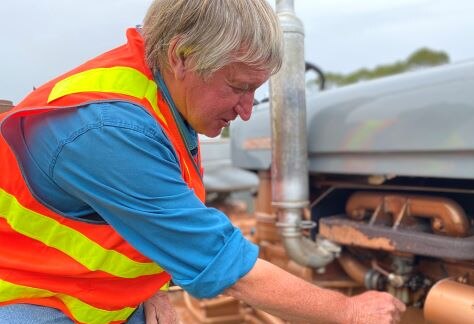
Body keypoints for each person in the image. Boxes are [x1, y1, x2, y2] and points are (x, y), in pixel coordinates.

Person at [0, 0, 406, 323]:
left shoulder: (161, 98)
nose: (247, 111)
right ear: (181, 56)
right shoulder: (109, 130)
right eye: (238, 87)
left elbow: (115, 218)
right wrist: (349, 311)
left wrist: (144, 289)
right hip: (24, 299)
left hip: (71, 288)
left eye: (256, 92)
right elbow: (224, 265)